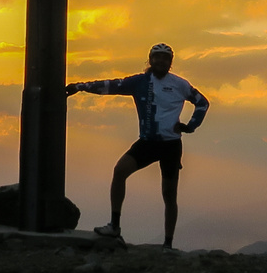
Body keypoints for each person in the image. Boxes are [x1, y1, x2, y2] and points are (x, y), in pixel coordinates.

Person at [65, 42, 209, 247]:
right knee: (120, 170)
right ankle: (114, 226)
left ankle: (168, 244)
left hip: (171, 145)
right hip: (147, 143)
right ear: (150, 60)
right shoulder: (140, 82)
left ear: (170, 62)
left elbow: (202, 103)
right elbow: (110, 85)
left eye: (165, 58)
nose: (160, 61)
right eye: (156, 57)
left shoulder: (180, 84)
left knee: (169, 195)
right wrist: (79, 87)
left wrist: (190, 126)